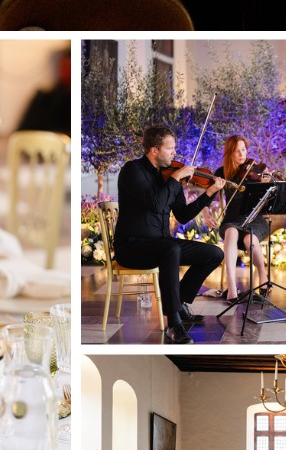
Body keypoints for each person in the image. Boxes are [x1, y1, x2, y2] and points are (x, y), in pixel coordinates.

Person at [114, 125, 225, 345]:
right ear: (154, 150)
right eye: (170, 148)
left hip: (162, 245)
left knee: (213, 253)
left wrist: (209, 194)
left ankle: (180, 302)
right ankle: (173, 322)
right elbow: (155, 204)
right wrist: (175, 179)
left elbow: (183, 215)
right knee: (170, 249)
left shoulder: (168, 176)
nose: (175, 153)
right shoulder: (133, 171)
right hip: (132, 246)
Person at [190, 135, 273, 304]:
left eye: (243, 149)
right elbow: (206, 197)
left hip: (255, 220)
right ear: (229, 154)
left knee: (250, 238)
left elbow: (270, 199)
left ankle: (263, 277)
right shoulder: (222, 173)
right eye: (237, 151)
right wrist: (206, 213)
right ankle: (232, 286)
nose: (242, 154)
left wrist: (268, 183)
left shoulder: (256, 171)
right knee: (231, 232)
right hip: (232, 220)